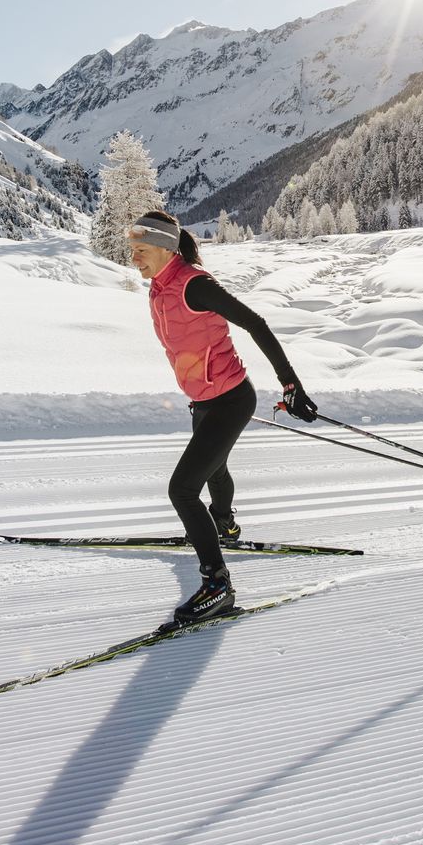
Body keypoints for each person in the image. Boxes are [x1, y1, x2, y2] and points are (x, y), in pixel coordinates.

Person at [127, 209, 318, 625]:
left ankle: (217, 587)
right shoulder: (160, 286)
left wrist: (290, 385)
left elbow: (255, 322)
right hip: (203, 398)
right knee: (214, 470)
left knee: (182, 489)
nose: (134, 257)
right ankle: (225, 527)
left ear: (164, 249)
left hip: (232, 399)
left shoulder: (195, 285)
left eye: (140, 250)